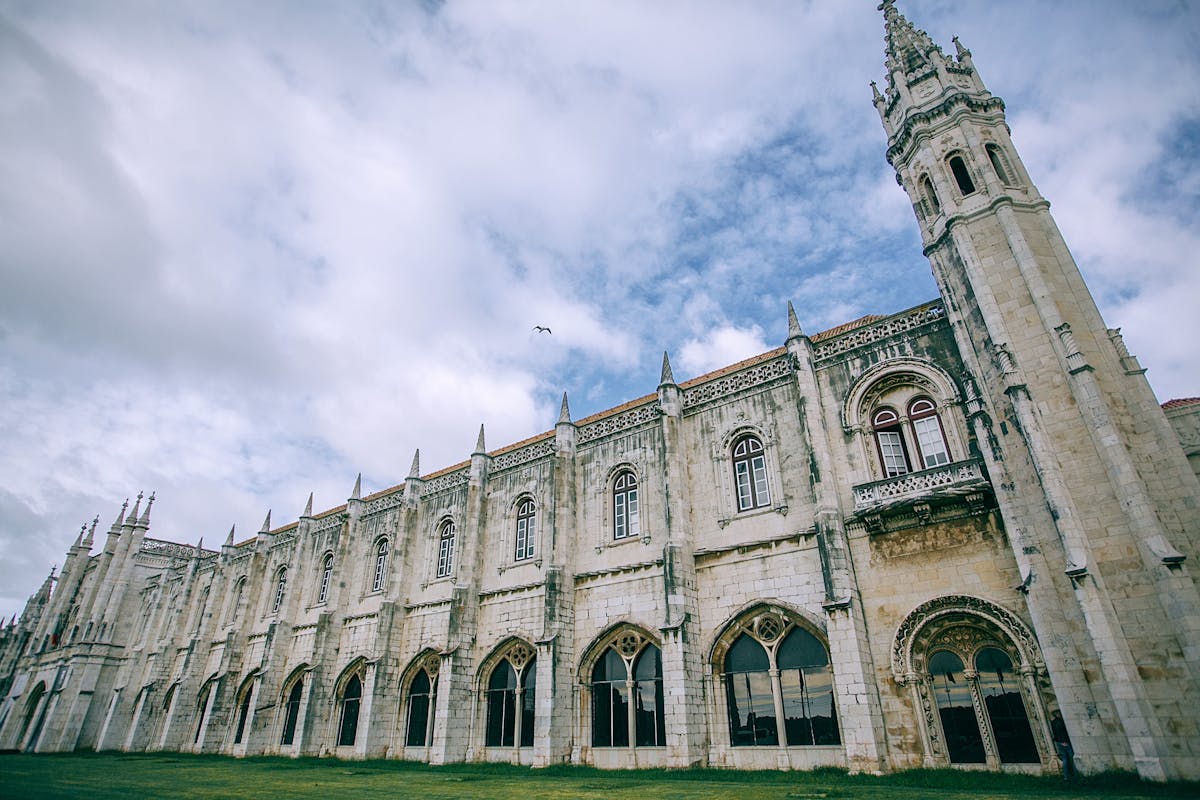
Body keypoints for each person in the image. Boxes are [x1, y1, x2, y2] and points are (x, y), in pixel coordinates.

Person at [1049, 710, 1076, 779]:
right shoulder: (1060, 722)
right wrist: (1064, 741)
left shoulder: (1053, 722)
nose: (1060, 714)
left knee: (1064, 758)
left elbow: (1054, 733)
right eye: (1058, 713)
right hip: (1064, 742)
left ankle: (1066, 776)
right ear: (1056, 714)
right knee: (1071, 757)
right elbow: (1062, 732)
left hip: (1058, 742)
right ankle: (1074, 773)